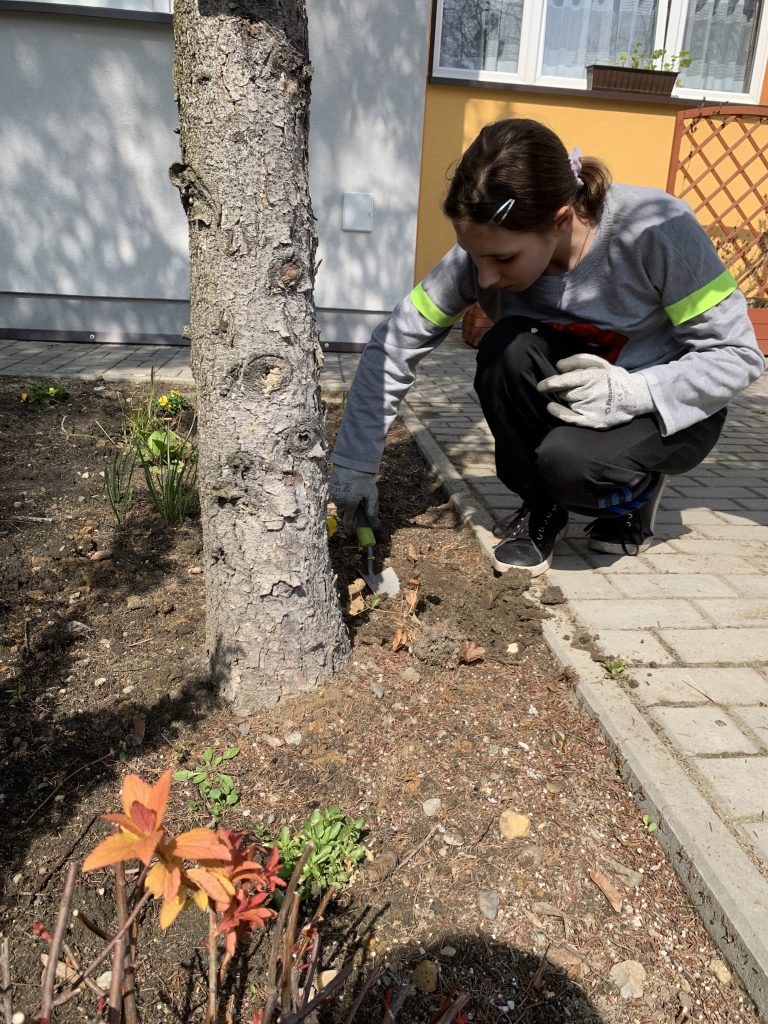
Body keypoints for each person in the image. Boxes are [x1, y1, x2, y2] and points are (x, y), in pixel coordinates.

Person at [329, 118, 764, 576]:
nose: (485, 278)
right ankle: (541, 509)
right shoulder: (487, 244)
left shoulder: (655, 227)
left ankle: (632, 497)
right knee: (505, 347)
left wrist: (634, 392)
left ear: (560, 220)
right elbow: (393, 344)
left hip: (666, 408)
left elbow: (737, 355)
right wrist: (355, 465)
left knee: (571, 466)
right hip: (575, 403)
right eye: (475, 257)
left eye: (503, 259)